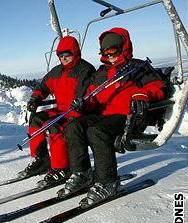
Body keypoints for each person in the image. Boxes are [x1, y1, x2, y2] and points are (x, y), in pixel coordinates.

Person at [58, 27, 166, 206]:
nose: (109, 55)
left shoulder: (138, 68)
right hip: (105, 116)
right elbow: (92, 97)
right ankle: (82, 173)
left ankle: (108, 182)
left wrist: (143, 94)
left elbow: (158, 87)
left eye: (113, 50)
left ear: (123, 47)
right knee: (73, 126)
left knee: (96, 131)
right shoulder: (101, 73)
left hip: (130, 117)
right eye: (104, 51)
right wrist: (84, 104)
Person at [19, 36, 95, 187]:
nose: (64, 58)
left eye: (67, 55)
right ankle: (41, 159)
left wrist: (75, 112)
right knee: (36, 120)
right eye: (61, 55)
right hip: (61, 109)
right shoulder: (56, 72)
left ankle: (62, 167)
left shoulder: (84, 69)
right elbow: (43, 88)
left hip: (78, 110)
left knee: (55, 125)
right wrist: (35, 99)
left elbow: (83, 95)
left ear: (75, 53)